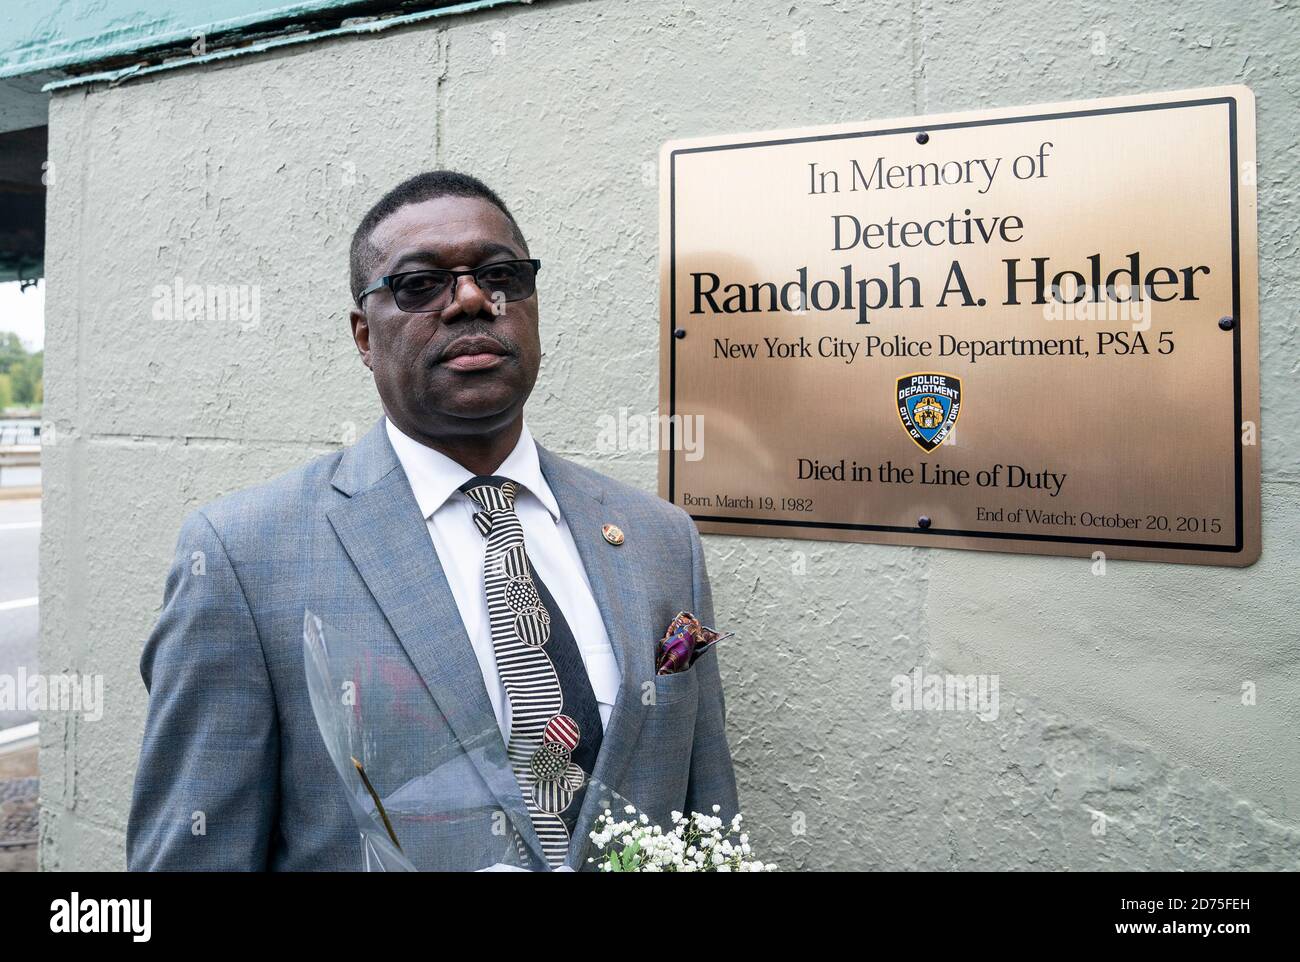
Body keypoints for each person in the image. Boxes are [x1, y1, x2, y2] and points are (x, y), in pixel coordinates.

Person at [126, 171, 738, 871]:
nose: (473, 299)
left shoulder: (660, 538)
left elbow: (707, 814)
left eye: (500, 274)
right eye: (420, 284)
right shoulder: (241, 558)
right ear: (363, 334)